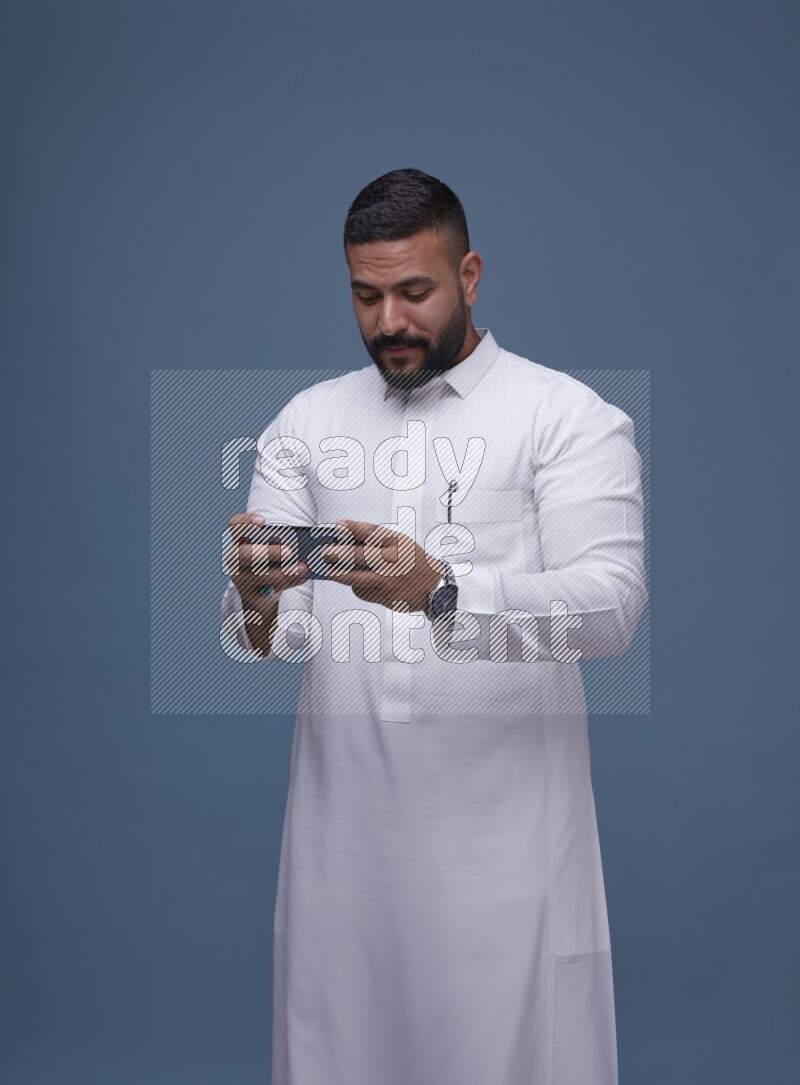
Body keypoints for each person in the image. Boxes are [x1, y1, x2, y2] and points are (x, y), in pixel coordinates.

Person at [220, 167, 648, 1085]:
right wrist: (256, 597)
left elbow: (611, 607)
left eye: (414, 291)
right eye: (366, 295)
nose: (388, 322)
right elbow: (270, 638)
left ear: (471, 275)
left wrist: (442, 590)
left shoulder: (564, 416)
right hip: (343, 851)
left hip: (511, 853)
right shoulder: (308, 422)